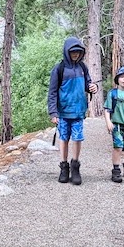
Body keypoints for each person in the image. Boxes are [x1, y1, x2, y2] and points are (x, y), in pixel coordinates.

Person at [47, 37, 98, 185]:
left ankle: (75, 166)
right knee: (64, 138)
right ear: (67, 52)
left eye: (78, 52)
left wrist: (93, 87)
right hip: (63, 112)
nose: (75, 55)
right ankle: (64, 167)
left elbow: (89, 84)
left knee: (77, 138)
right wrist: (53, 112)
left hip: (78, 111)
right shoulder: (59, 69)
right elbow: (52, 92)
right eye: (73, 52)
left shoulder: (83, 68)